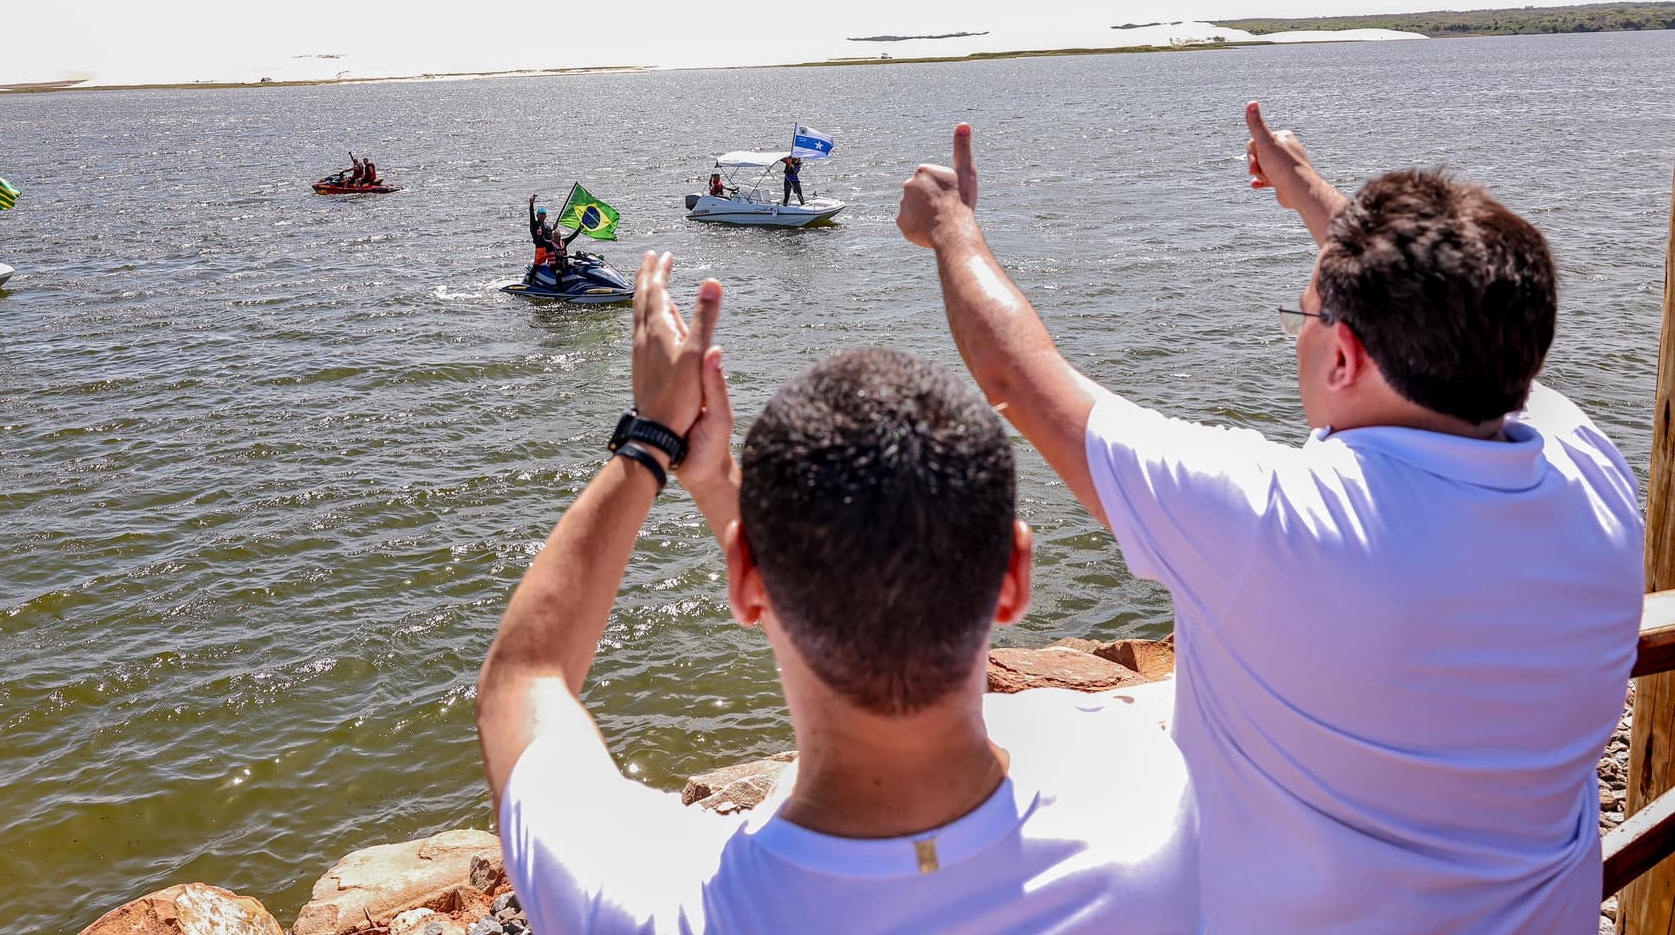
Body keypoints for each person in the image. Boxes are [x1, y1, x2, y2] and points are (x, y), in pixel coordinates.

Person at [897, 107, 1644, 933]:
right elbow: (1461, 306)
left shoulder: (1275, 526)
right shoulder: (1588, 468)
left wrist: (953, 230)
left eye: (1303, 316)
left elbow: (1017, 373)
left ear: (1344, 355)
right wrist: (1310, 195)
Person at [478, 252, 1200, 934]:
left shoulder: (658, 900)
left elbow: (523, 678)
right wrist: (712, 485)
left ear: (743, 584)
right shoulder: (1141, 794)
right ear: (1013, 578)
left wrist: (651, 443)